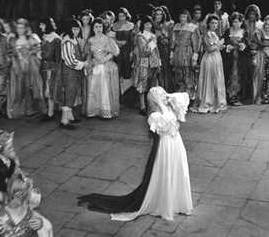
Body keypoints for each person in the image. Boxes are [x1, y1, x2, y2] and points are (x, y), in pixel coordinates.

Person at [78, 86, 192, 221]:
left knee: (180, 172)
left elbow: (185, 98)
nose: (164, 98)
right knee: (166, 174)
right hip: (165, 147)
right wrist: (161, 103)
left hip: (176, 145)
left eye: (163, 95)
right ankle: (165, 206)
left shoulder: (169, 107)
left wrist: (168, 94)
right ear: (154, 101)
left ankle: (179, 204)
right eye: (160, 96)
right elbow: (169, 120)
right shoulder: (153, 116)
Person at [7, 18, 45, 119]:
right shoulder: (13, 40)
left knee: (31, 85)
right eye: (18, 28)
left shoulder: (31, 39)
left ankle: (31, 108)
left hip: (30, 64)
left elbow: (37, 49)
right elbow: (10, 52)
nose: (19, 30)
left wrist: (30, 53)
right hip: (18, 65)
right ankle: (21, 108)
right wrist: (14, 63)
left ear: (25, 29)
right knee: (20, 86)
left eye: (22, 28)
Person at [84, 17, 120, 118]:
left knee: (104, 88)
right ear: (93, 29)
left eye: (100, 26)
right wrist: (89, 61)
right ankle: (93, 110)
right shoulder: (90, 40)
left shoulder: (107, 39)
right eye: (96, 27)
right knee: (94, 88)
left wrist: (103, 59)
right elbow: (88, 54)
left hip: (105, 65)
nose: (98, 28)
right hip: (94, 66)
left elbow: (113, 53)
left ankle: (105, 110)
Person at [191, 15, 227, 113]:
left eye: (216, 23)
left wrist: (220, 46)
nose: (214, 25)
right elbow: (210, 49)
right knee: (210, 79)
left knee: (217, 78)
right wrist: (219, 44)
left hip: (216, 58)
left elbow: (215, 47)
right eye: (212, 23)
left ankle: (216, 100)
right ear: (208, 24)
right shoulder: (207, 35)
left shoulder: (215, 34)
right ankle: (209, 101)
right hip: (210, 59)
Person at [60, 19, 87, 129]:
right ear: (69, 29)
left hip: (74, 72)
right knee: (69, 96)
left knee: (73, 94)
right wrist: (83, 64)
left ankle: (70, 117)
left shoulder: (74, 39)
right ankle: (64, 121)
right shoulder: (67, 42)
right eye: (74, 29)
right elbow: (69, 60)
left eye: (78, 29)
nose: (76, 31)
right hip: (70, 72)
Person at [132, 15, 161, 116]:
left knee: (152, 83)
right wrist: (153, 43)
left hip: (153, 63)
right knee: (143, 83)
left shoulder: (153, 35)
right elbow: (144, 51)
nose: (148, 26)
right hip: (144, 63)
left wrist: (158, 62)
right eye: (146, 24)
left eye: (150, 24)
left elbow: (157, 52)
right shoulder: (140, 36)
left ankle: (151, 105)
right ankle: (142, 106)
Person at [170, 9, 202, 100]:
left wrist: (195, 58)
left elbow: (196, 43)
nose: (182, 18)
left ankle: (188, 98)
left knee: (188, 74)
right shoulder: (176, 27)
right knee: (178, 75)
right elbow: (172, 42)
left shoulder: (192, 27)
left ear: (188, 17)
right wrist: (171, 56)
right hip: (177, 52)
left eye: (184, 16)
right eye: (181, 16)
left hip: (187, 53)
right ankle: (180, 98)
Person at [223, 12, 252, 106]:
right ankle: (230, 95)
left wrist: (244, 46)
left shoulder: (244, 32)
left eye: (237, 22)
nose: (234, 24)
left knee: (239, 75)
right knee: (230, 74)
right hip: (230, 57)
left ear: (241, 22)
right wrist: (227, 46)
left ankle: (237, 96)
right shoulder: (228, 31)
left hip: (241, 58)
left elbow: (249, 45)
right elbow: (223, 42)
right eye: (233, 22)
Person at [38, 17, 62, 122]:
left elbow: (48, 55)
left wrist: (39, 53)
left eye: (42, 24)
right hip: (47, 67)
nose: (40, 26)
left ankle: (51, 113)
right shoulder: (47, 36)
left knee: (49, 90)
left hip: (51, 68)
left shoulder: (54, 38)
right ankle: (51, 110)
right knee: (47, 89)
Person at [251, 15, 269, 104]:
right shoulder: (258, 33)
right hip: (260, 55)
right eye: (266, 24)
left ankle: (267, 96)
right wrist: (254, 58)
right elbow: (253, 46)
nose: (268, 26)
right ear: (264, 24)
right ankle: (258, 97)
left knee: (268, 75)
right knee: (260, 75)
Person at [112, 7, 135, 96]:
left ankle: (127, 95)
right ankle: (118, 95)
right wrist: (117, 42)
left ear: (126, 16)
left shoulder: (132, 25)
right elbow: (111, 38)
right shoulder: (114, 26)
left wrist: (132, 52)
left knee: (127, 72)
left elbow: (134, 41)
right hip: (118, 52)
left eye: (123, 16)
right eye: (119, 16)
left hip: (128, 51)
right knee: (118, 72)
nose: (121, 18)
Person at [153, 6, 174, 93]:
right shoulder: (152, 25)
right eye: (157, 14)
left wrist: (165, 40)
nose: (159, 16)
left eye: (161, 14)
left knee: (165, 69)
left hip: (165, 50)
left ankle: (166, 91)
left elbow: (171, 38)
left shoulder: (167, 25)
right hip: (154, 49)